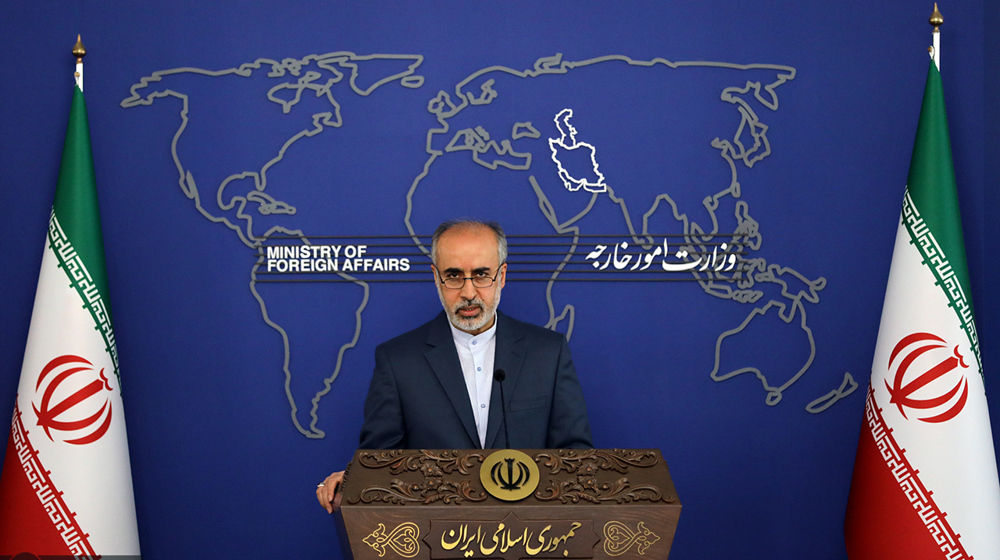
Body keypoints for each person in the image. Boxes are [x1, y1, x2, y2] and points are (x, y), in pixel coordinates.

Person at [316, 219, 592, 513]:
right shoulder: (397, 361)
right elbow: (381, 463)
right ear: (436, 277)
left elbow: (577, 459)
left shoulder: (548, 353)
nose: (469, 292)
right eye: (454, 275)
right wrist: (358, 479)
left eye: (482, 274)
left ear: (502, 276)